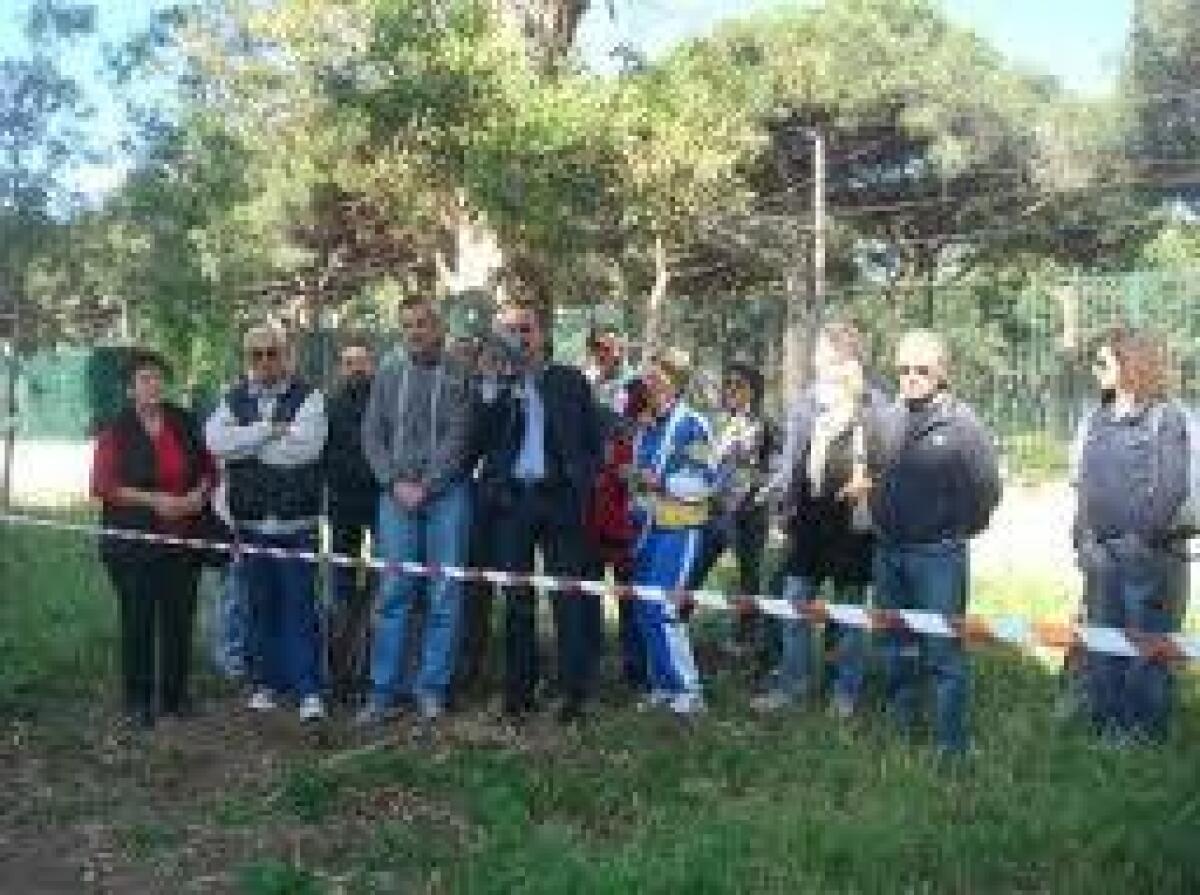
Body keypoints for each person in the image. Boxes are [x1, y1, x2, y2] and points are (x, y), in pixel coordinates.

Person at [870, 329, 1001, 755]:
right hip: (888, 552)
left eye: (921, 369)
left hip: (938, 557)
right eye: (903, 369)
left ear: (943, 371)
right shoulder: (887, 418)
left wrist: (951, 530)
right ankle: (898, 732)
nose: (910, 377)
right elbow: (874, 472)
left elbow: (986, 490)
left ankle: (952, 746)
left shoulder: (964, 424)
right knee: (894, 648)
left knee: (943, 654)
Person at [755, 322, 893, 715]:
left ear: (845, 360)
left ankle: (844, 693)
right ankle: (792, 686)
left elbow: (889, 463)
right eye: (817, 355)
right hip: (810, 523)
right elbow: (791, 463)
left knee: (849, 614)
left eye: (823, 356)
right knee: (795, 603)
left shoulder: (874, 405)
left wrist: (871, 482)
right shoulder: (806, 402)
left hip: (854, 527)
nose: (815, 362)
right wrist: (782, 510)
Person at [475, 300, 603, 724]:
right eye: (509, 330)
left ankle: (574, 692)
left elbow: (592, 440)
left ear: (542, 334)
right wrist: (493, 386)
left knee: (567, 596)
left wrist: (580, 479)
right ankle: (518, 690)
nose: (519, 338)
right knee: (516, 599)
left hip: (560, 498)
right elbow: (482, 438)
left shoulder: (569, 381)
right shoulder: (497, 384)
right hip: (513, 501)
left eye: (525, 329)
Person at [357, 297, 475, 723]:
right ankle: (383, 691)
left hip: (446, 494)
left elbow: (459, 437)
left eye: (422, 324)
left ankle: (432, 689)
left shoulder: (460, 375)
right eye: (407, 325)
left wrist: (427, 486)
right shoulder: (387, 376)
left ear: (438, 327)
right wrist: (393, 482)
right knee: (394, 592)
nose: (415, 332)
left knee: (444, 593)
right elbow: (372, 435)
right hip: (396, 496)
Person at [205, 324, 329, 722]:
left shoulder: (309, 397)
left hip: (297, 523)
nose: (262, 362)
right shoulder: (232, 398)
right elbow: (215, 442)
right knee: (260, 606)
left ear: (285, 354)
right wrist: (269, 431)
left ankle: (309, 690)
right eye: (254, 355)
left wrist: (248, 445)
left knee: (300, 606)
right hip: (252, 522)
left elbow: (304, 451)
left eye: (270, 353)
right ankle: (266, 684)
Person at [1076, 327, 1189, 744]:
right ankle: (1107, 725)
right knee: (1105, 641)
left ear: (1130, 366)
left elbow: (1172, 488)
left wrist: (1143, 535)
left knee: (1145, 647)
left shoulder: (1165, 417)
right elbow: (1086, 480)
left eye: (1102, 363)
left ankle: (1142, 733)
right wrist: (1085, 535)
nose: (1095, 371)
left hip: (1145, 554)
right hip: (1100, 552)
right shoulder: (1098, 417)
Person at [91, 349, 216, 728]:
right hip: (133, 543)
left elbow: (210, 469)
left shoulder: (184, 421)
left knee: (179, 619)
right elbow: (103, 485)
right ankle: (138, 702)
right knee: (138, 620)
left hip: (183, 540)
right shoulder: (115, 430)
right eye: (145, 378)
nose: (154, 384)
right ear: (130, 389)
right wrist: (156, 501)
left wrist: (198, 496)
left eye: (158, 377)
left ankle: (176, 698)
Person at [629, 349, 714, 717]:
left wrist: (659, 481)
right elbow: (639, 478)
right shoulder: (647, 425)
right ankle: (662, 685)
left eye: (655, 375)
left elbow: (704, 482)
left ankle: (689, 691)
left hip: (680, 531)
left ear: (672, 381)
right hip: (647, 531)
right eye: (647, 375)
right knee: (645, 608)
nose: (647, 382)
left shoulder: (693, 425)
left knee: (666, 609)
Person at [692, 361, 777, 669]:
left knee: (749, 578)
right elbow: (713, 463)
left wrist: (756, 493)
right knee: (696, 565)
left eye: (738, 384)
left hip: (749, 514)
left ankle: (750, 641)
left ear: (753, 391)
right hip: (716, 511)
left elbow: (773, 471)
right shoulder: (722, 422)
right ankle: (676, 621)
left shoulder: (765, 425)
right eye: (727, 383)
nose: (730, 390)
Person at [583, 376, 652, 694]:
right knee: (593, 598)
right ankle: (593, 665)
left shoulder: (648, 438)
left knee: (629, 601)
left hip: (626, 531)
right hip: (601, 527)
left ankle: (635, 668)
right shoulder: (605, 430)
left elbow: (642, 484)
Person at [323, 338, 378, 705]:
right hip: (343, 504)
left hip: (379, 501)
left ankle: (371, 658)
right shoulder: (329, 406)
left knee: (382, 585)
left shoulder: (383, 401)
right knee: (339, 588)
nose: (356, 368)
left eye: (361, 361)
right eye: (348, 362)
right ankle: (339, 665)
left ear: (371, 365)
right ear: (340, 369)